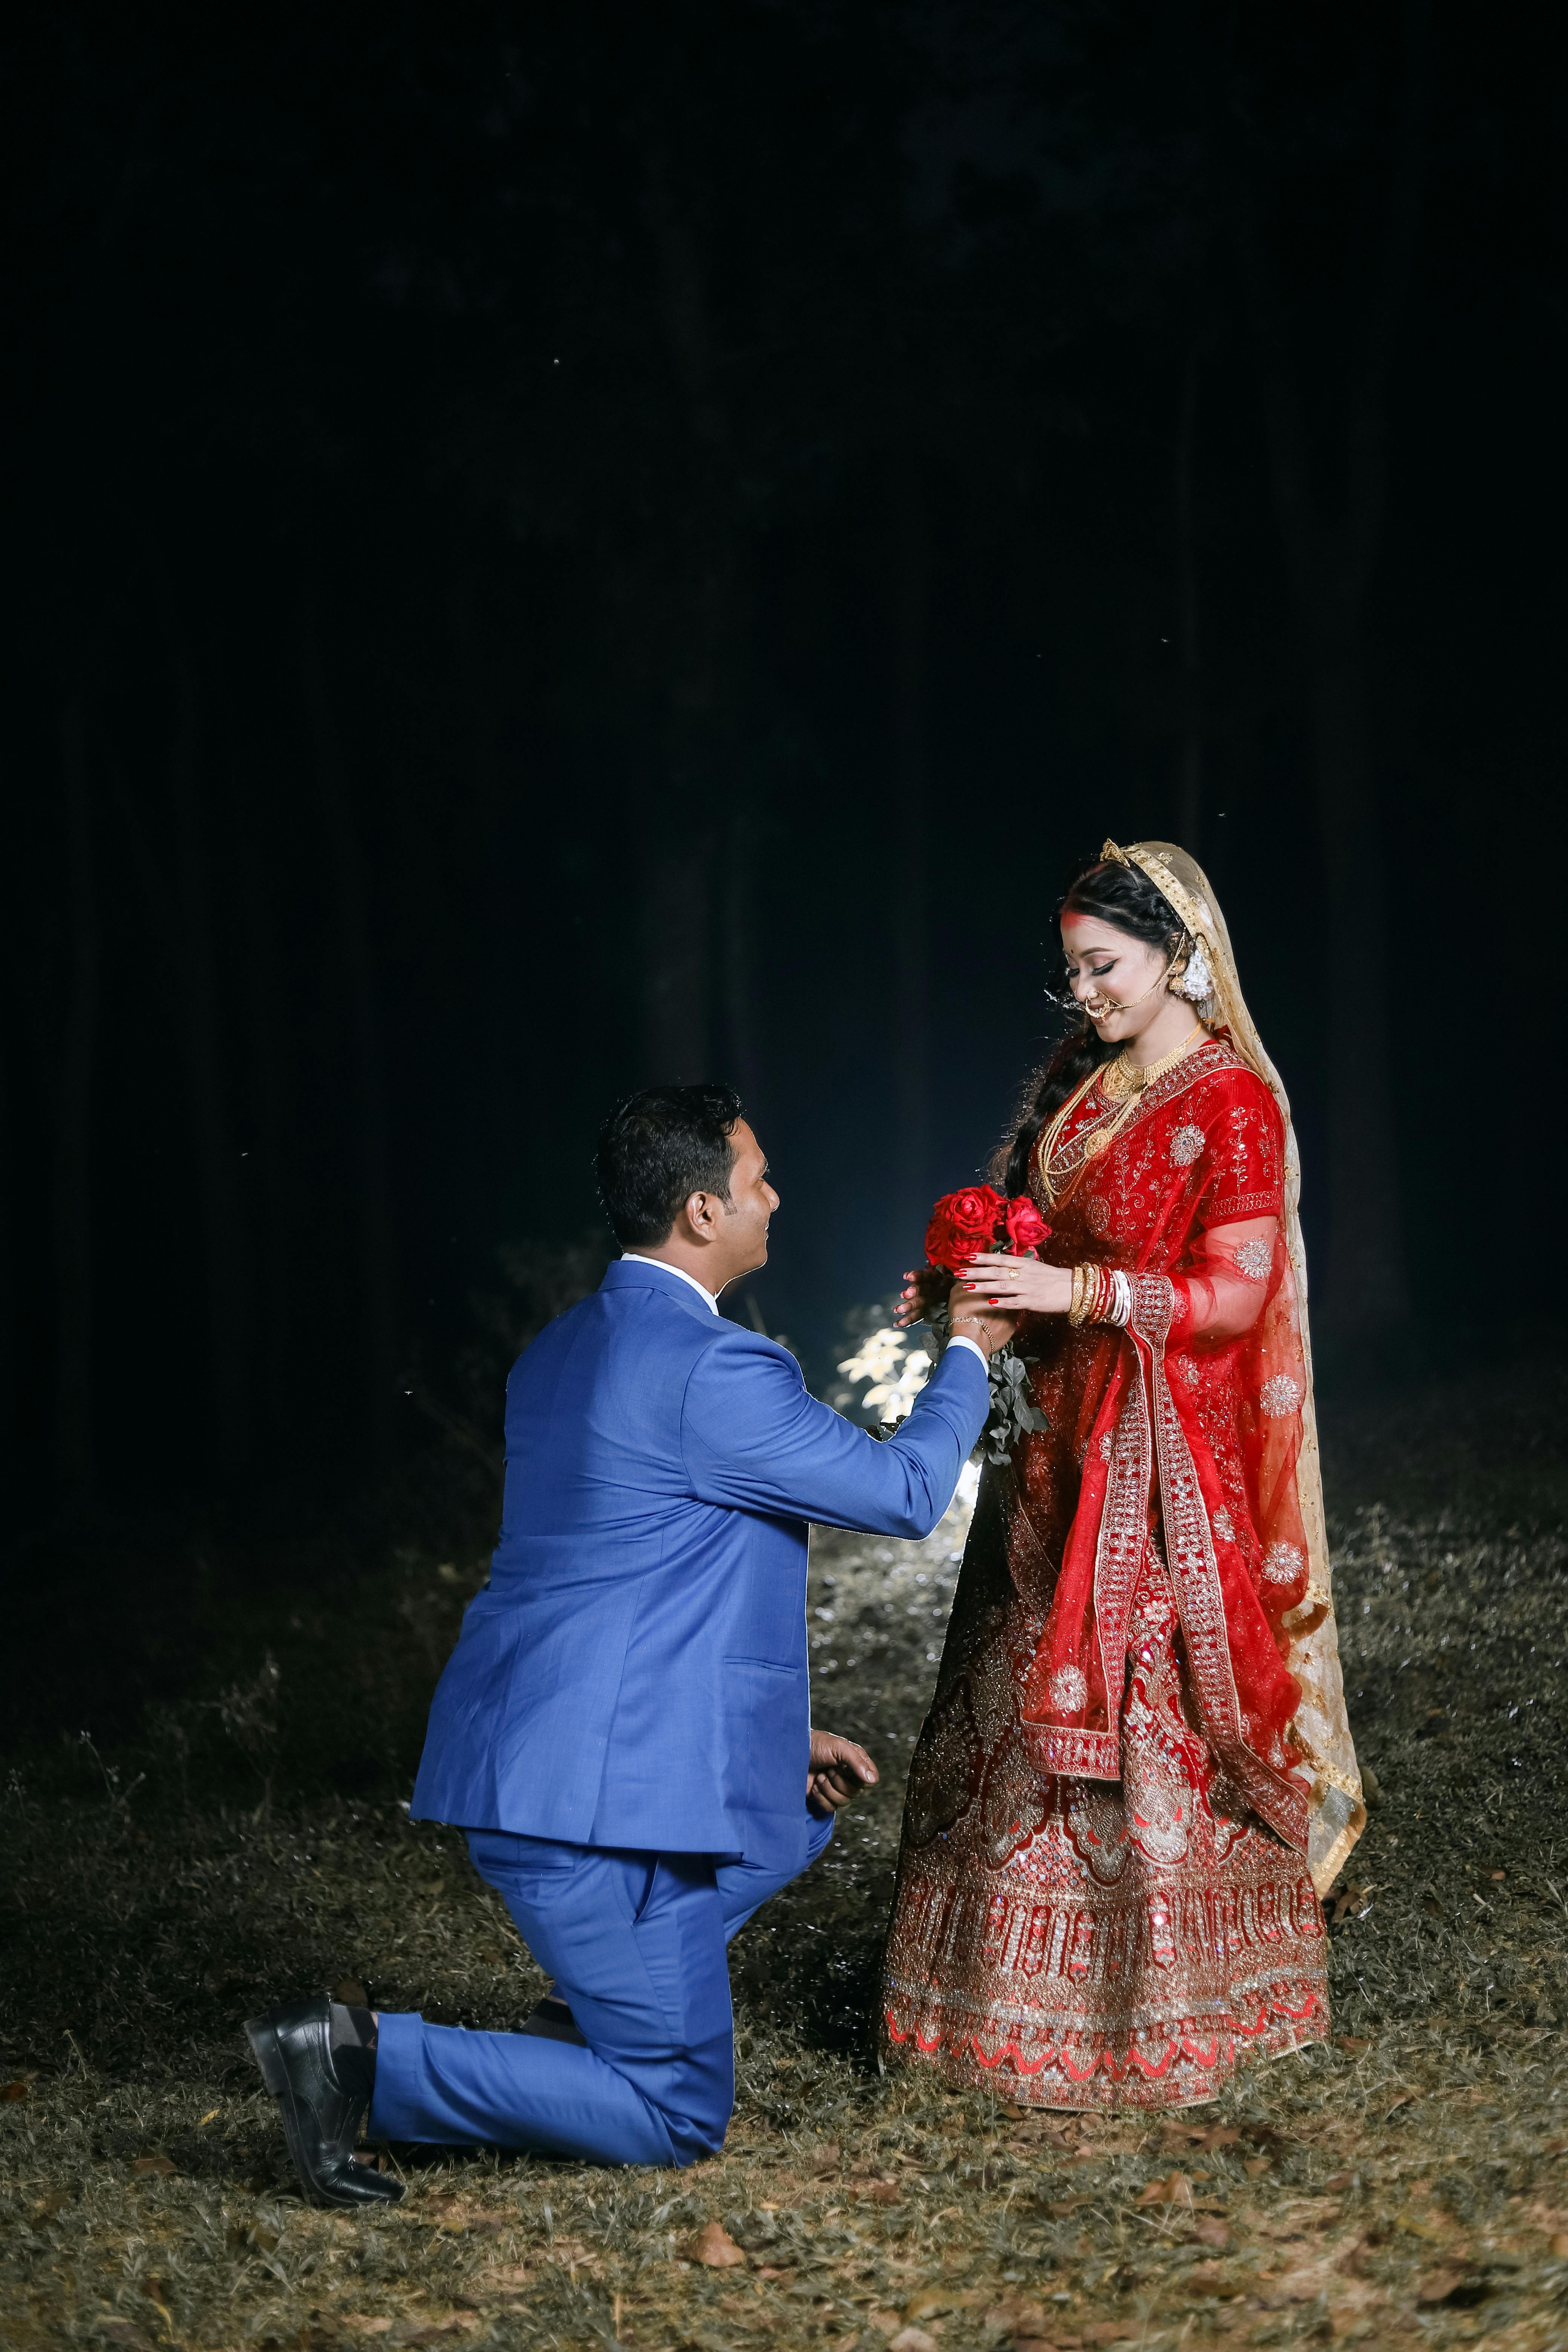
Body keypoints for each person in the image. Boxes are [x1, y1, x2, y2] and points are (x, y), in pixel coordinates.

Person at [247, 1083, 1012, 2204]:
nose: (775, 1197)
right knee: (675, 2111)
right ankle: (359, 2059)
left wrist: (766, 1732)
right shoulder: (717, 1368)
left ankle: (583, 2014)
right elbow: (901, 1494)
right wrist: (972, 1350)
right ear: (703, 1212)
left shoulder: (557, 1351)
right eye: (757, 1181)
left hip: (522, 1764)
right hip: (591, 1812)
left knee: (785, 1822)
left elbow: (625, 1581)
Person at [881, 840, 1363, 2112]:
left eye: (1104, 966)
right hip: (1051, 1432)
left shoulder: (1232, 1103)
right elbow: (1035, 1226)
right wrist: (966, 1280)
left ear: (1181, 952)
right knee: (1012, 1689)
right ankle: (988, 2017)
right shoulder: (1081, 1085)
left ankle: (1184, 2011)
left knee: (1145, 1717)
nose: (1085, 993)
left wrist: (1076, 1292)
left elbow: (1239, 1293)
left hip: (1153, 1453)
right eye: (1072, 973)